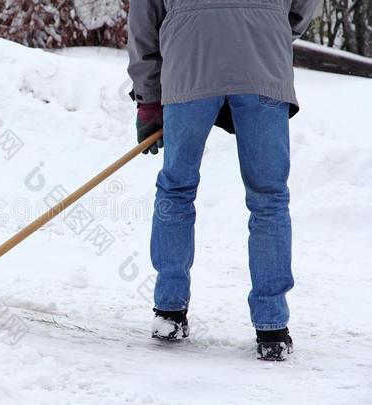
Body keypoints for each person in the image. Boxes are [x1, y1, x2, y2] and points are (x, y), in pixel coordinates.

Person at [127, 0, 319, 361]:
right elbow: (304, 7)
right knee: (269, 197)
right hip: (264, 61)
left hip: (190, 58)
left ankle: (169, 311)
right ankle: (272, 327)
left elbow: (144, 20)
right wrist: (269, 26)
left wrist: (148, 97)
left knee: (177, 188)